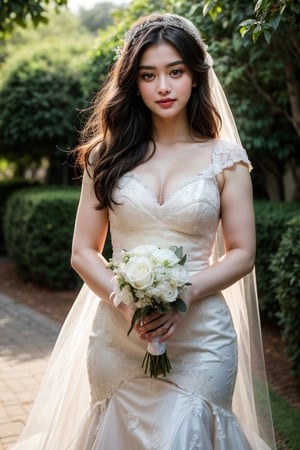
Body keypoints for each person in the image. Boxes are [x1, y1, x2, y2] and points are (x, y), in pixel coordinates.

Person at [13, 13, 276, 450]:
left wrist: (185, 294)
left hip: (203, 339)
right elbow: (83, 251)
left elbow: (242, 253)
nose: (164, 87)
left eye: (176, 71)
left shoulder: (226, 160)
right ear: (133, 82)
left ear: (195, 75)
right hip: (119, 338)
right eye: (149, 75)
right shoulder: (106, 157)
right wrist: (124, 302)